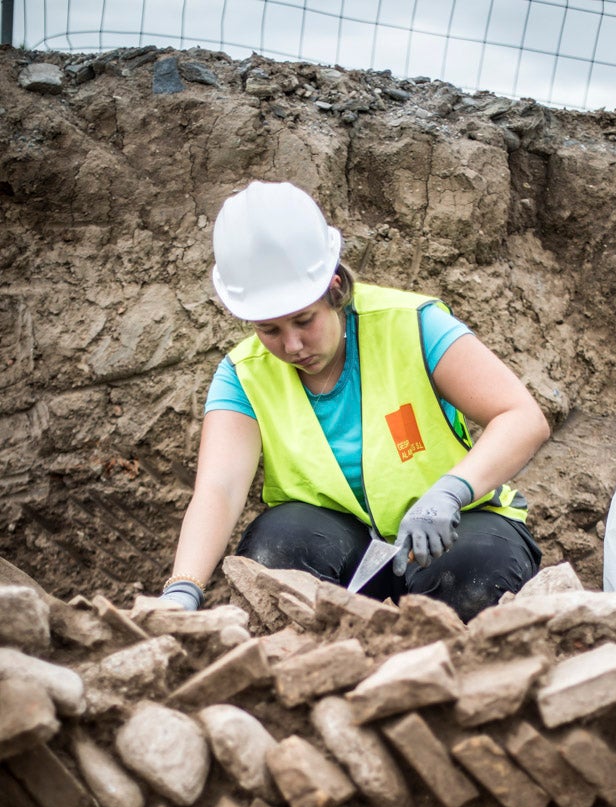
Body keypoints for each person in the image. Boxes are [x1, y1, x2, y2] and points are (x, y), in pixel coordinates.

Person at [159, 181, 550, 623]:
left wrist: (450, 492)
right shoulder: (243, 374)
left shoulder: (412, 325)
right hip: (340, 544)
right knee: (276, 553)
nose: (291, 345)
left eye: (304, 320)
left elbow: (521, 416)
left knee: (474, 578)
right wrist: (183, 590)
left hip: (453, 528)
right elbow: (219, 488)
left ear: (336, 286)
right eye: (269, 329)